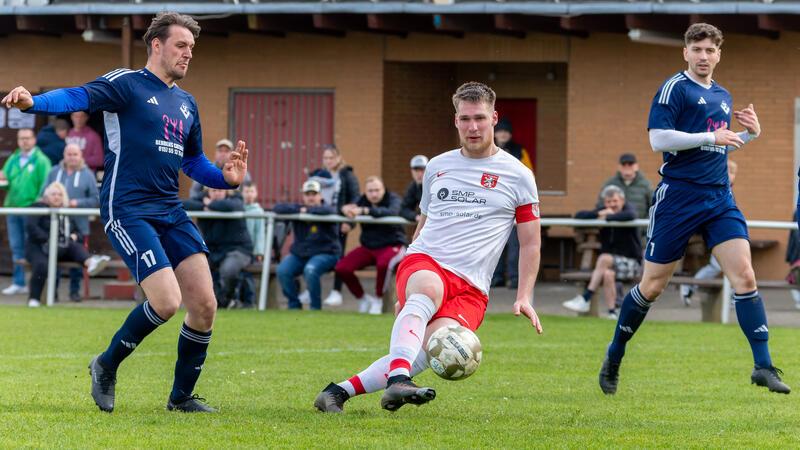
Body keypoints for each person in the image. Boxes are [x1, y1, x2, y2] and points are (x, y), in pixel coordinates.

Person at [2, 11, 249, 412]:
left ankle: (181, 398)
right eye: (181, 45)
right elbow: (78, 96)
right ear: (156, 45)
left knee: (204, 304)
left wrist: (226, 178)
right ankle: (105, 364)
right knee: (167, 302)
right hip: (128, 207)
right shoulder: (126, 84)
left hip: (170, 208)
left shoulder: (186, 103)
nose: (188, 54)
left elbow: (192, 162)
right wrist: (34, 103)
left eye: (192, 48)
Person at [314, 82, 543, 413]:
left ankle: (336, 393)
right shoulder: (438, 166)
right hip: (427, 261)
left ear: (494, 118)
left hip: (472, 287)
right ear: (456, 121)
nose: (473, 127)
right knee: (426, 291)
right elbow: (423, 221)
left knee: (432, 349)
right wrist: (406, 290)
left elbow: (530, 241)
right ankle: (397, 383)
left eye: (479, 118)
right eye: (465, 119)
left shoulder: (519, 175)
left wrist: (524, 296)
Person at [598, 23, 790, 396]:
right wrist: (710, 136)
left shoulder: (722, 95)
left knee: (746, 278)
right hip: (679, 198)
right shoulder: (674, 88)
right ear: (685, 52)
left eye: (710, 50)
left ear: (719, 54)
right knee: (652, 286)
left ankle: (763, 366)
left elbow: (717, 147)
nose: (703, 56)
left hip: (719, 198)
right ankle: (615, 353)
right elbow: (659, 139)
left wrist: (751, 134)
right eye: (697, 50)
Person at [25, 182, 111, 307]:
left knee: (74, 246)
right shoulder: (38, 207)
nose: (56, 197)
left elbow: (78, 232)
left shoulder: (66, 212)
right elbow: (31, 228)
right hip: (39, 248)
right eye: (53, 194)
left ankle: (91, 263)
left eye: (60, 194)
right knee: (42, 265)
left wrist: (74, 235)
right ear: (47, 196)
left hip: (60, 248)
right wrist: (51, 238)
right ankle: (34, 299)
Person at [562, 185, 641, 319]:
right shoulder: (604, 211)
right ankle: (612, 313)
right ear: (605, 203)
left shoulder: (629, 209)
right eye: (609, 202)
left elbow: (631, 215)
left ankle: (586, 298)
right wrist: (599, 214)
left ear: (622, 200)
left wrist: (607, 218)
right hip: (612, 264)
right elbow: (579, 215)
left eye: (615, 201)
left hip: (632, 262)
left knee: (604, 258)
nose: (612, 205)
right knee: (607, 274)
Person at [334, 176, 407, 314]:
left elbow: (392, 211)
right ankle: (362, 299)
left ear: (383, 189)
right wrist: (346, 214)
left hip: (393, 244)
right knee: (342, 268)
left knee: (384, 264)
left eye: (377, 190)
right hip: (368, 246)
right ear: (365, 192)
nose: (374, 194)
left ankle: (378, 299)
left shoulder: (393, 198)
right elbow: (351, 210)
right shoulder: (362, 200)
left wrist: (365, 211)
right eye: (370, 191)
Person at [274, 180, 341, 310]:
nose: (311, 197)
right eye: (307, 194)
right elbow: (278, 208)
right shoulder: (299, 209)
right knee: (282, 270)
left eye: (314, 194)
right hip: (300, 254)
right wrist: (301, 209)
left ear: (320, 195)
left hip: (326, 253)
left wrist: (308, 211)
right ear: (303, 196)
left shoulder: (327, 209)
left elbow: (330, 211)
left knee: (310, 270)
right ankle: (294, 305)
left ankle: (315, 308)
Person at [45, 143, 100, 302]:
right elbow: (44, 193)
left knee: (78, 259)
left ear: (80, 156)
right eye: (69, 154)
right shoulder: (54, 172)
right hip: (56, 225)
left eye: (75, 154)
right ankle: (52, 292)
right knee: (54, 259)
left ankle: (74, 292)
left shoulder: (87, 174)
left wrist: (77, 203)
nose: (72, 157)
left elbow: (96, 199)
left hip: (79, 226)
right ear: (64, 155)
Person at [0, 128, 52, 296]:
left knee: (32, 247)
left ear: (34, 140)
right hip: (13, 208)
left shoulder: (42, 160)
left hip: (31, 211)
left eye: (28, 138)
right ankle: (18, 282)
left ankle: (34, 283)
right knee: (16, 247)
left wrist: (37, 207)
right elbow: (5, 182)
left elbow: (46, 186)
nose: (24, 141)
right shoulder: (13, 158)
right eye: (21, 138)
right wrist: (2, 180)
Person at [679, 159, 738, 305]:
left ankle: (732, 294)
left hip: (724, 234)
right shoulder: (714, 188)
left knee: (729, 265)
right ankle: (691, 286)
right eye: (728, 172)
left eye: (733, 173)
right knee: (725, 265)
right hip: (712, 234)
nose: (730, 175)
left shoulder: (729, 191)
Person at [184, 188, 253, 308]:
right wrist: (205, 205)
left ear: (226, 191)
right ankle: (205, 302)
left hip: (238, 249)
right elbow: (184, 204)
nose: (217, 193)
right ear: (208, 192)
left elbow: (231, 206)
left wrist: (209, 204)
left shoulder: (236, 198)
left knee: (228, 270)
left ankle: (227, 300)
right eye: (214, 191)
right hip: (212, 251)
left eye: (220, 190)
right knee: (194, 268)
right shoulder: (201, 198)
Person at [491, 118, 533, 289]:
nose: (502, 134)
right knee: (494, 244)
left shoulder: (520, 151)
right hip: (492, 204)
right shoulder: (486, 150)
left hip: (513, 203)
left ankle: (514, 278)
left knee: (515, 244)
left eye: (506, 131)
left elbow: (529, 175)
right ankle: (496, 277)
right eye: (500, 131)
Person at [319, 145, 360, 307]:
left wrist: (349, 222)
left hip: (340, 223)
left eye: (331, 158)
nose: (328, 161)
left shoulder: (347, 175)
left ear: (338, 158)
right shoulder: (321, 175)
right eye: (325, 158)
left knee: (339, 256)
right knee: (316, 252)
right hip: (322, 222)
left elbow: (355, 199)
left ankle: (336, 291)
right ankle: (311, 289)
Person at [595, 153, 653, 219]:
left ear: (636, 166)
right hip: (614, 226)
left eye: (630, 164)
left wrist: (645, 225)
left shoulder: (645, 185)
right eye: (623, 164)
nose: (627, 166)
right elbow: (600, 205)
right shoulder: (609, 183)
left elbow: (652, 206)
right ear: (619, 167)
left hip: (639, 226)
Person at [240, 182, 264, 307]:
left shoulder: (258, 211)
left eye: (252, 191)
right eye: (246, 191)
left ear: (256, 194)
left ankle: (250, 301)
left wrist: (259, 251)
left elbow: (260, 233)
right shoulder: (238, 209)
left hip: (252, 250)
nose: (249, 195)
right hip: (240, 248)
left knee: (248, 276)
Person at [399, 155, 428, 223]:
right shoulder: (414, 186)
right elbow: (404, 209)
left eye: (422, 170)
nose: (419, 174)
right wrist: (416, 217)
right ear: (411, 171)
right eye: (416, 170)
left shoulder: (435, 185)